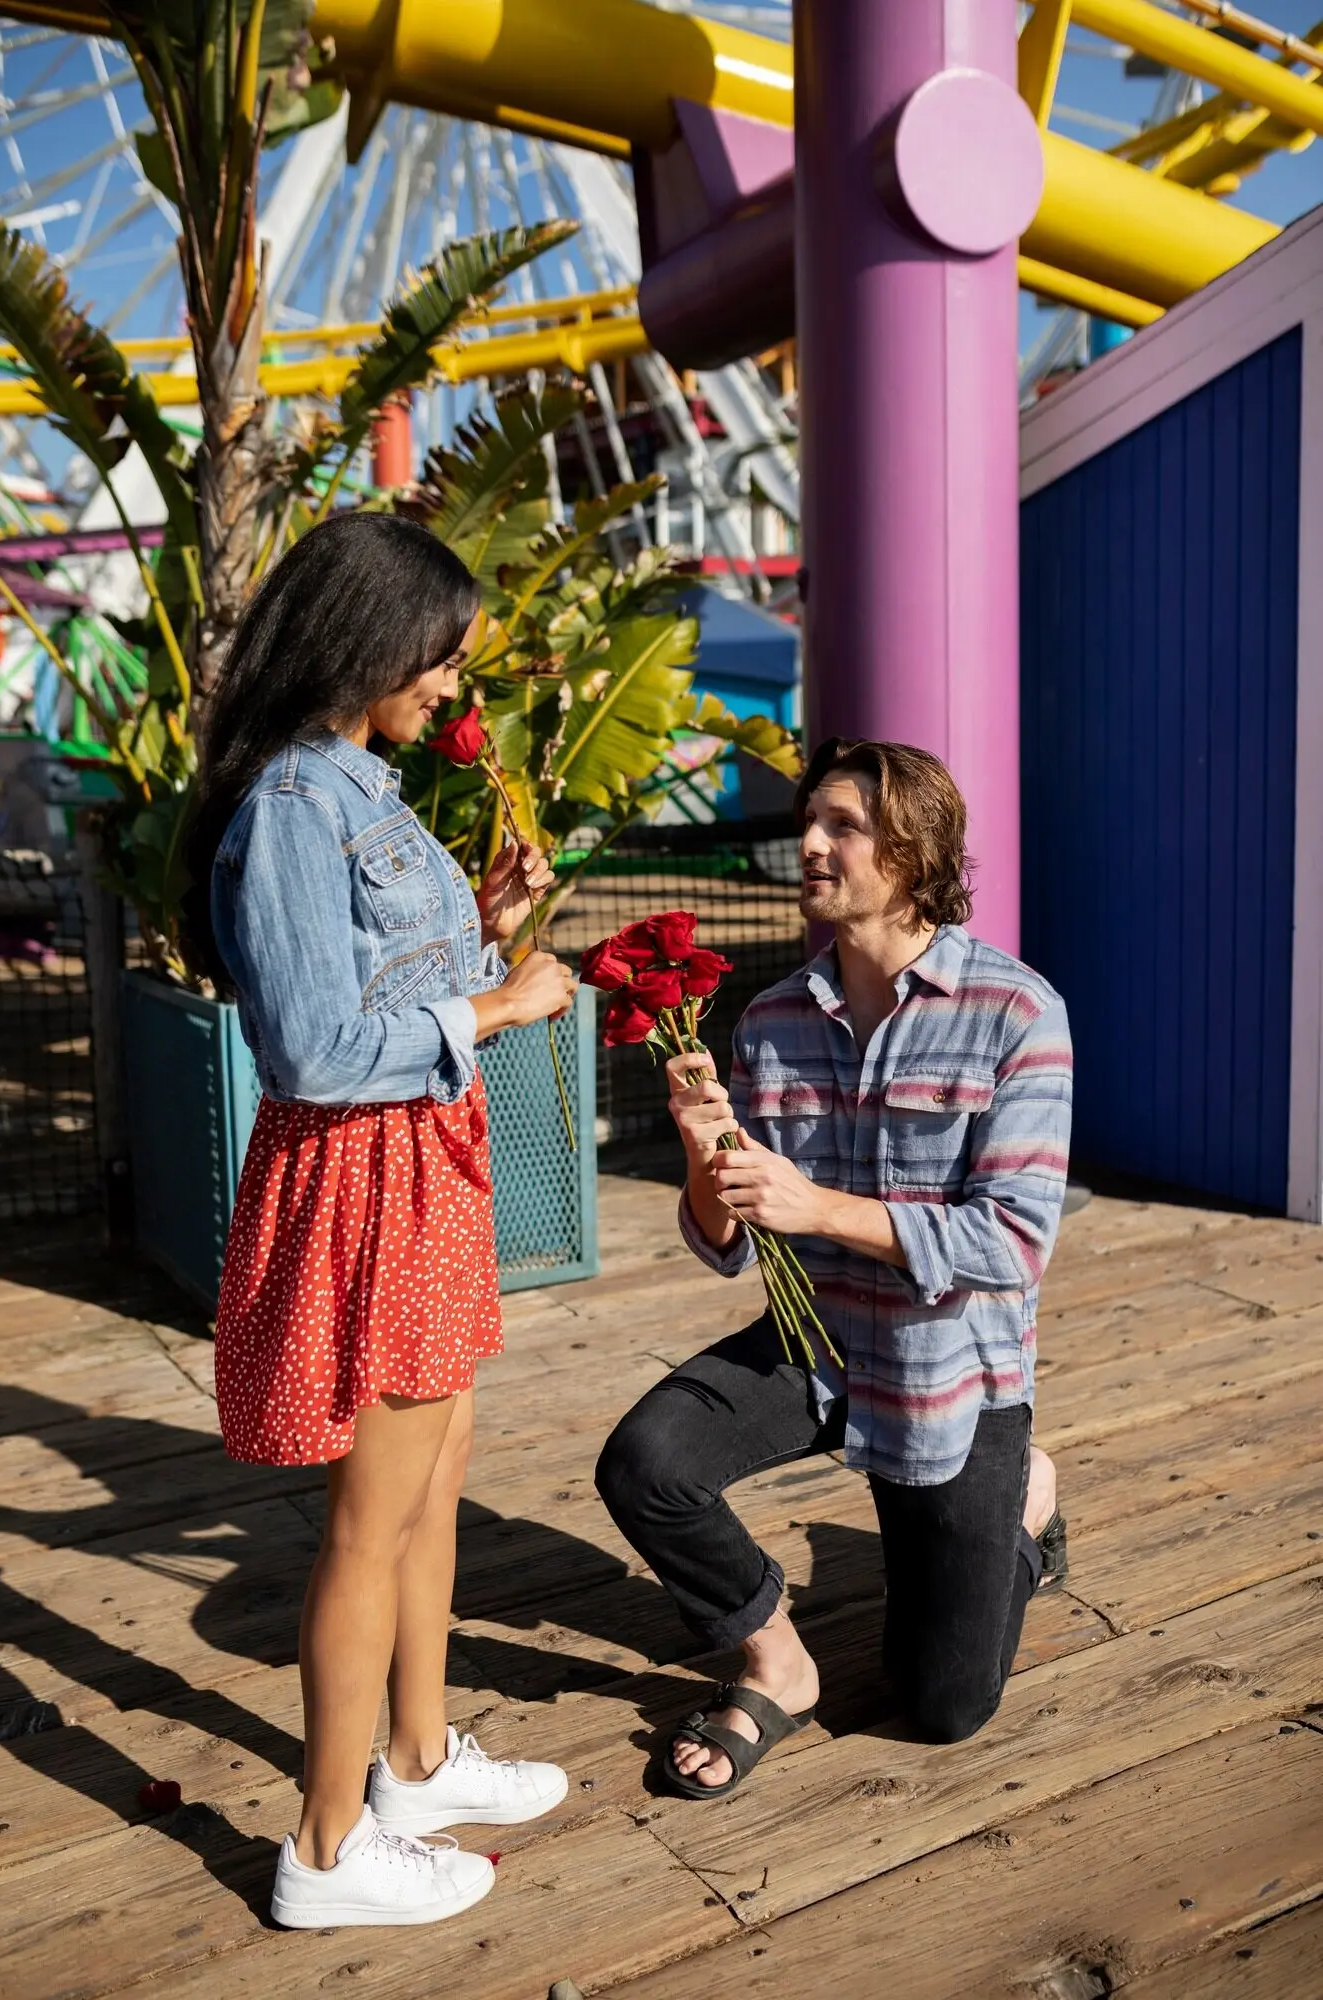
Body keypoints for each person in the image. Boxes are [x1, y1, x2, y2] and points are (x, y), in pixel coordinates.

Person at [183, 512, 578, 1927]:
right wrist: (500, 1004)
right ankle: (326, 1848)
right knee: (370, 1519)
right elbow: (312, 1050)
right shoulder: (295, 801)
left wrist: (481, 926)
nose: (454, 688)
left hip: (418, 1163)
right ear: (368, 640)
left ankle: (414, 1758)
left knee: (435, 1472)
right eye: (443, 660)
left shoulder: (358, 781)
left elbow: (376, 982)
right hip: (364, 1178)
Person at [596, 738, 1073, 1798]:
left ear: (913, 850)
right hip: (812, 1344)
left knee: (941, 1704)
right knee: (646, 1463)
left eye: (841, 826)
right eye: (807, 822)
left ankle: (1024, 1510)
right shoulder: (771, 1021)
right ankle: (778, 1662)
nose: (809, 843)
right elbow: (729, 1246)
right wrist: (703, 1151)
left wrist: (817, 1205)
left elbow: (1011, 1241)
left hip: (950, 1374)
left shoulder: (1017, 1014)